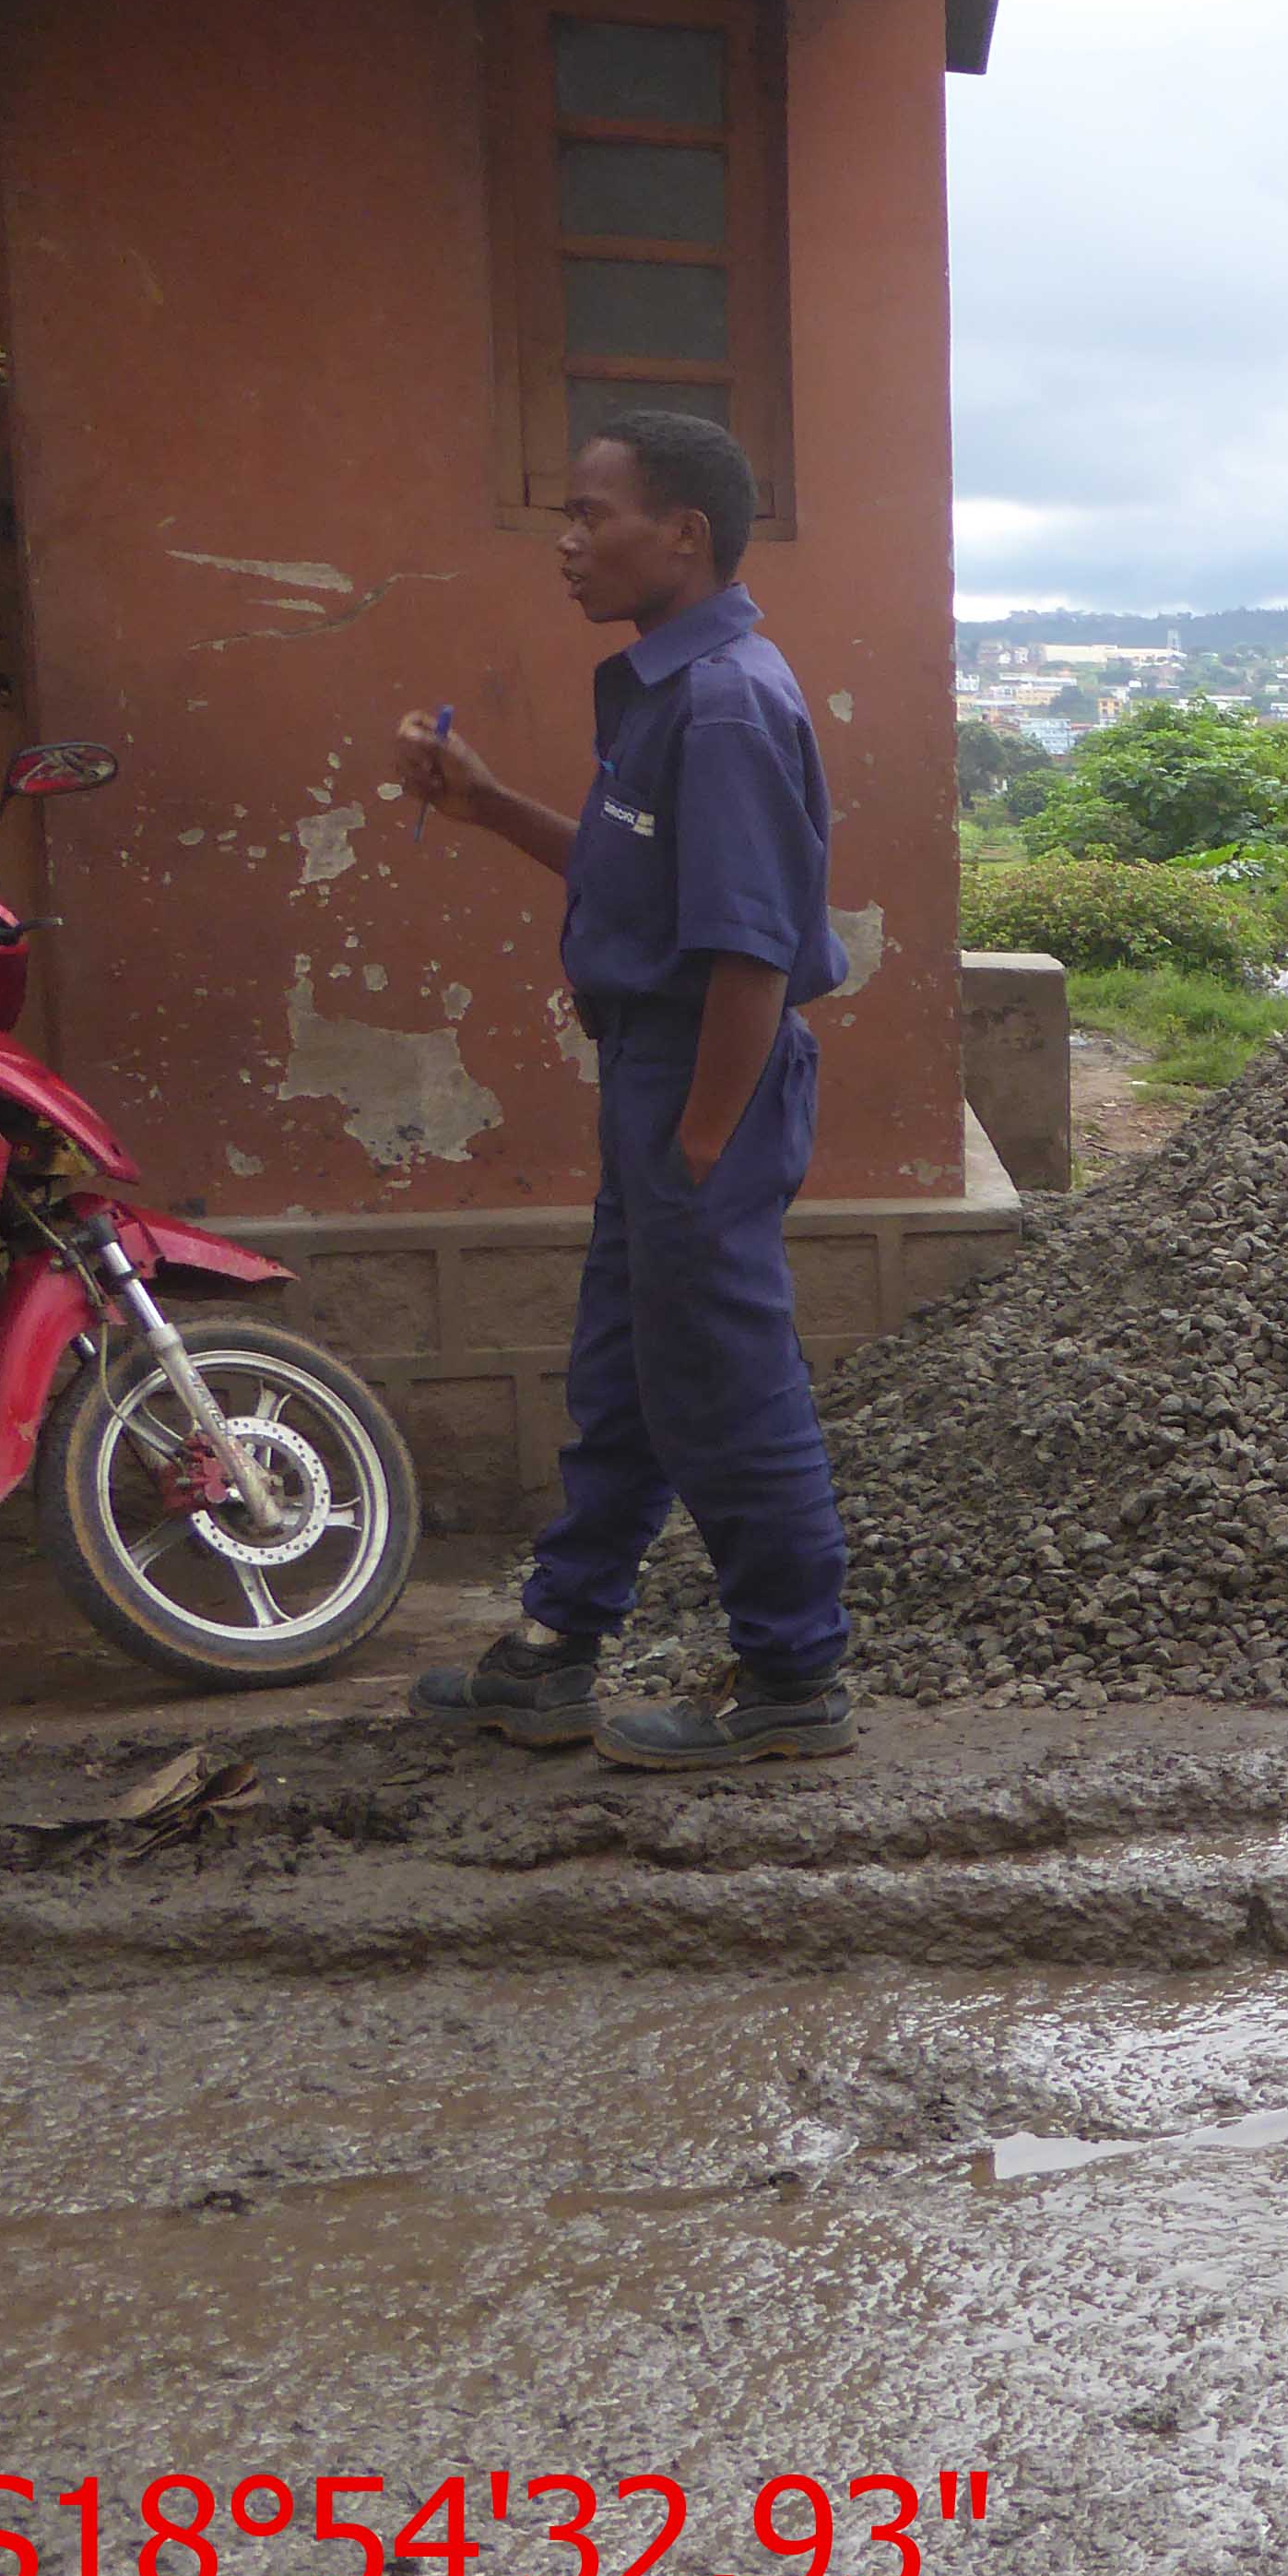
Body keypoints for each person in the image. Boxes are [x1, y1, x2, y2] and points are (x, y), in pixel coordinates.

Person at [395, 411, 858, 1767]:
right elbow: (639, 888)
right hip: (661, 1074)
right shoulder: (671, 691)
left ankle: (793, 1678)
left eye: (594, 515)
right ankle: (557, 1648)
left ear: (687, 536)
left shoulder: (724, 705)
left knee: (721, 1378)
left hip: (702, 1073)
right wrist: (486, 806)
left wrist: (701, 1142)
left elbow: (751, 955)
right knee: (628, 1371)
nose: (567, 543)